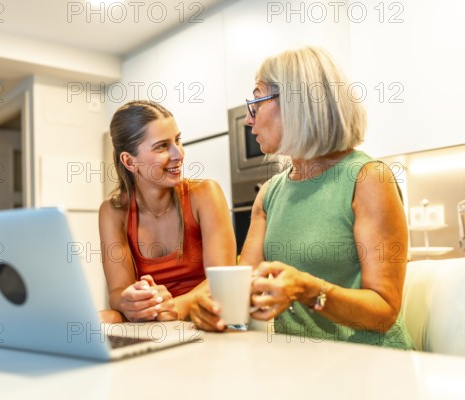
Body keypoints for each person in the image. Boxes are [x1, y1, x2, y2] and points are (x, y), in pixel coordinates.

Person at [190, 46, 413, 349]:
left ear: (297, 102)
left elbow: (383, 312)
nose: (248, 120)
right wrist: (207, 308)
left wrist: (309, 290)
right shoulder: (269, 194)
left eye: (256, 101)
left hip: (372, 367)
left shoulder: (369, 178)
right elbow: (245, 293)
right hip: (297, 366)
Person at [99, 100, 236, 323]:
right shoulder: (113, 211)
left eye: (177, 140)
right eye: (162, 146)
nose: (178, 154)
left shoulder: (204, 194)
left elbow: (222, 280)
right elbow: (117, 291)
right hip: (153, 318)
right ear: (129, 161)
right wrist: (130, 302)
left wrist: (176, 306)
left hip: (202, 317)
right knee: (103, 319)